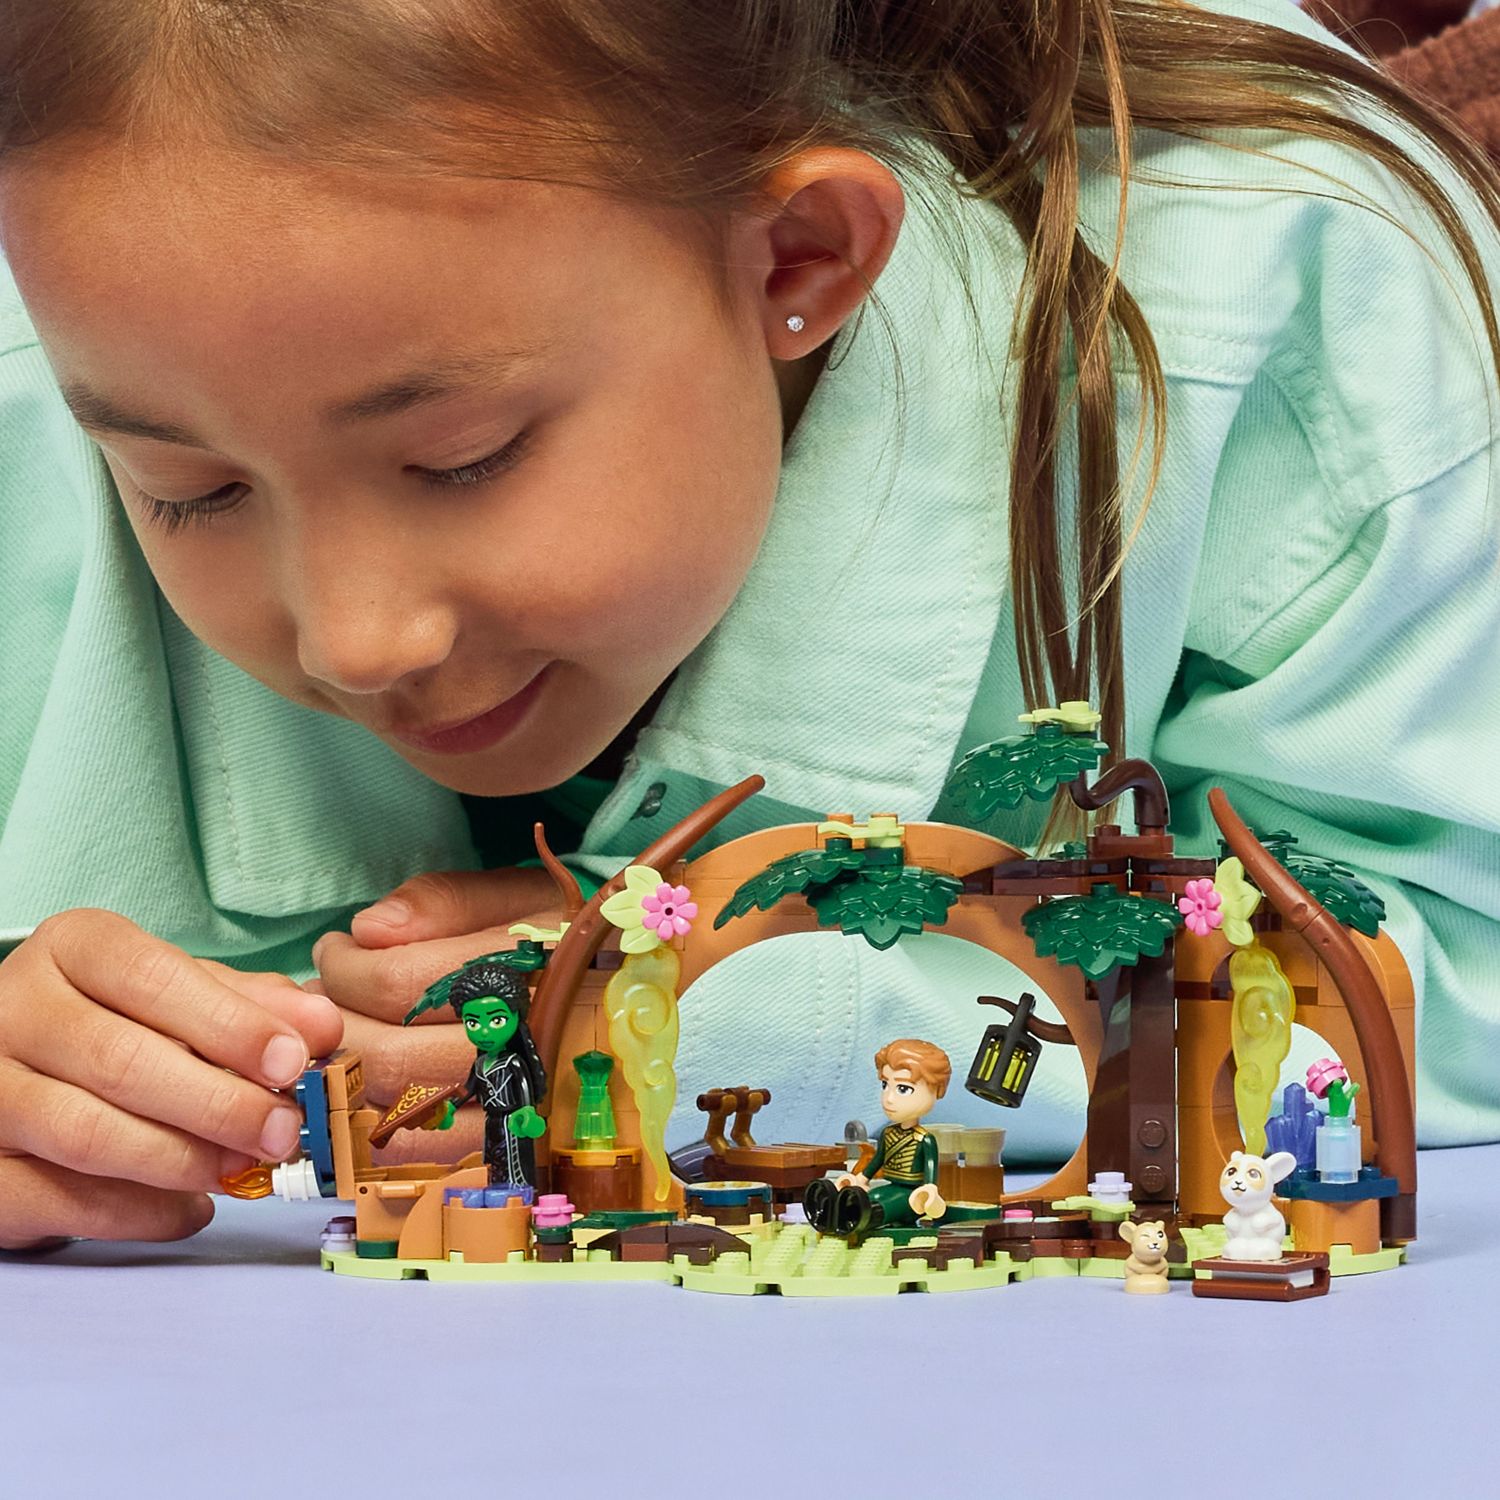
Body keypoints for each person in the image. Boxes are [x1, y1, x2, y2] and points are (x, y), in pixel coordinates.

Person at [0, 0, 1497, 1252]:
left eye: (462, 458)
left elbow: (1461, 979)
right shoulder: (65, 338)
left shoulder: (1303, 306)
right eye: (188, 490)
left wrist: (772, 1021)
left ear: (799, 258)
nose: (357, 639)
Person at [805, 1039, 952, 1238]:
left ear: (936, 1090)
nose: (888, 1098)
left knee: (879, 1207)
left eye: (903, 1089)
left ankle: (856, 1220)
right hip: (889, 1188)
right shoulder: (888, 1133)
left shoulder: (924, 1139)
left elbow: (930, 1171)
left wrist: (930, 1190)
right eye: (885, 1085)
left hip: (911, 1197)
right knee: (868, 1197)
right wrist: (861, 1178)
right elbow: (878, 1159)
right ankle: (830, 1212)